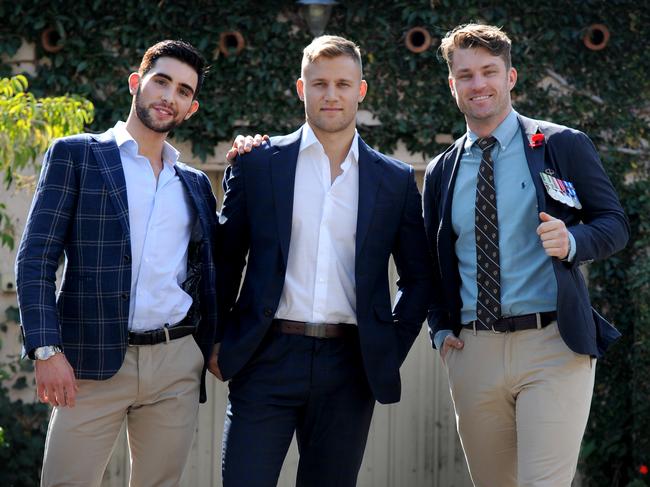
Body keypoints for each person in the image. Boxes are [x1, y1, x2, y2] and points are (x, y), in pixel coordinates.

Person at [210, 35, 433, 487]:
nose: (331, 95)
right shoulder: (259, 164)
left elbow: (420, 278)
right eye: (320, 84)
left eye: (343, 84)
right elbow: (224, 259)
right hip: (266, 357)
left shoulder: (393, 181)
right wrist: (216, 338)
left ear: (361, 91)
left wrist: (387, 347)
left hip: (349, 367)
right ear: (301, 88)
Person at [423, 23, 629, 487]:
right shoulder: (441, 170)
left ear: (511, 77)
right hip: (473, 350)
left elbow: (614, 224)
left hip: (553, 344)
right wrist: (439, 329)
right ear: (452, 83)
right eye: (467, 75)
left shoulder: (559, 145)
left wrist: (573, 241)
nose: (480, 85)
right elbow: (430, 261)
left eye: (490, 71)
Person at [15, 40, 218, 487]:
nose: (170, 96)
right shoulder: (78, 155)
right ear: (136, 83)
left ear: (192, 107)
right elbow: (36, 258)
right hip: (90, 360)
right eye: (161, 81)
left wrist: (208, 345)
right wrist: (46, 348)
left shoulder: (196, 183)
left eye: (184, 91)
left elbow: (210, 271)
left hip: (175, 364)